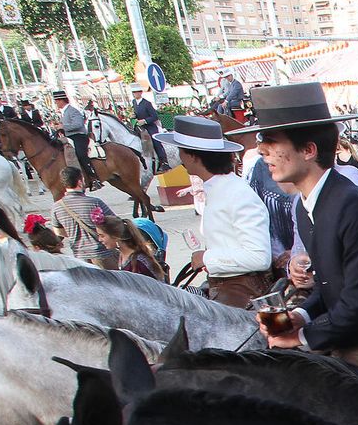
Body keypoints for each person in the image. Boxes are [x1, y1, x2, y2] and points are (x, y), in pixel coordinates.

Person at [245, 83, 358, 381]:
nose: (262, 150)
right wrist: (299, 316)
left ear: (308, 150)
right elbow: (329, 287)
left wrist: (301, 337)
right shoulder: (306, 206)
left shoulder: (353, 208)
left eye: (271, 141)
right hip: (348, 331)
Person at [159, 116, 273, 306]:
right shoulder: (218, 188)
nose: (180, 158)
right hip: (224, 285)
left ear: (193, 156)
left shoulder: (236, 193)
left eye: (181, 151)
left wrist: (206, 258)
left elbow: (259, 257)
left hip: (242, 293)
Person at [50, 167, 116, 268]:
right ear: (80, 182)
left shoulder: (57, 207)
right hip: (102, 254)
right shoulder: (95, 202)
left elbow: (59, 232)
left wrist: (74, 233)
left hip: (79, 256)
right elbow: (115, 223)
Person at [51, 91, 99, 191]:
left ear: (61, 100)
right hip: (68, 137)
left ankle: (93, 178)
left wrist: (63, 126)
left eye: (56, 101)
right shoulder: (63, 112)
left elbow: (78, 124)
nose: (56, 103)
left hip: (78, 136)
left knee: (80, 154)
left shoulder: (73, 110)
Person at [97, 214, 167, 281]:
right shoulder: (122, 254)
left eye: (102, 236)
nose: (99, 239)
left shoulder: (139, 262)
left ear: (116, 236)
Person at [131, 84, 166, 169]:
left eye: (136, 92)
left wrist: (145, 121)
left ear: (140, 93)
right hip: (140, 127)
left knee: (156, 142)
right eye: (133, 92)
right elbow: (137, 113)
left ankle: (164, 162)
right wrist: (134, 116)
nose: (134, 94)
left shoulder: (147, 103)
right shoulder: (134, 102)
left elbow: (154, 116)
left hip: (150, 127)